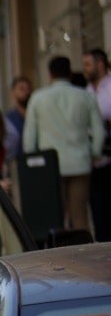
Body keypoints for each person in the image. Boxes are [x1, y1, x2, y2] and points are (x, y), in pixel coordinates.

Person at [25, 56, 105, 238]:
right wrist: (94, 153)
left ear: (49, 74)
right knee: (80, 218)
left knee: (54, 218)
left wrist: (32, 161)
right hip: (80, 163)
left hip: (50, 166)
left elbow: (29, 137)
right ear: (70, 73)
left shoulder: (38, 98)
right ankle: (85, 258)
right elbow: (99, 132)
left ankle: (57, 259)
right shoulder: (85, 96)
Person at [84, 50, 111, 238]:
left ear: (100, 64)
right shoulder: (86, 92)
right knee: (99, 210)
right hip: (93, 159)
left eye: (88, 64)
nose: (84, 69)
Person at [5, 75, 32, 162]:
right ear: (13, 92)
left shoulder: (36, 115)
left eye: (28, 89)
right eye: (21, 89)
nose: (26, 92)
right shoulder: (8, 119)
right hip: (18, 162)